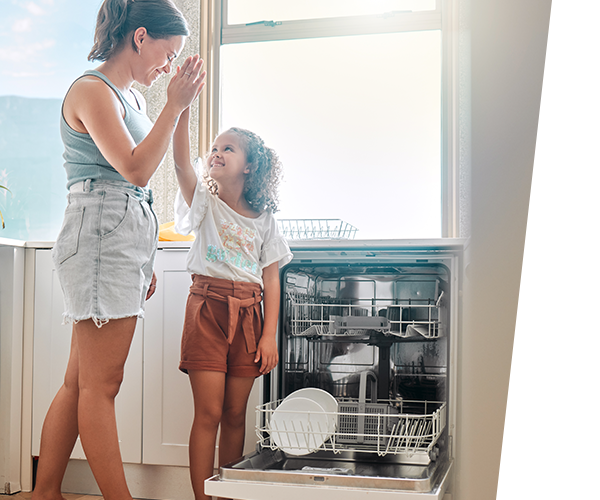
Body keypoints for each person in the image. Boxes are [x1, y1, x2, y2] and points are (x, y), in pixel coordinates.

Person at [32, 1, 206, 499]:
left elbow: (150, 177)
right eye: (167, 54)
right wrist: (174, 103)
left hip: (118, 242)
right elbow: (133, 170)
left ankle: (45, 493)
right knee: (101, 387)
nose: (167, 67)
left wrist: (144, 258)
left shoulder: (133, 100)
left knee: (79, 382)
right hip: (100, 240)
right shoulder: (92, 90)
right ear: (140, 37)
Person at [172, 106, 292, 499]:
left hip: (249, 317)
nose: (216, 152)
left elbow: (272, 278)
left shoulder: (265, 220)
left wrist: (268, 335)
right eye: (214, 147)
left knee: (236, 414)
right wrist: (181, 112)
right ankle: (201, 497)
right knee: (208, 413)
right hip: (207, 308)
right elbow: (178, 163)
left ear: (250, 167)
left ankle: (227, 493)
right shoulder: (204, 201)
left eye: (228, 148)